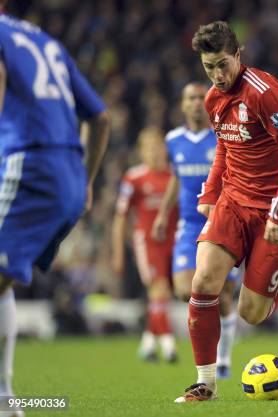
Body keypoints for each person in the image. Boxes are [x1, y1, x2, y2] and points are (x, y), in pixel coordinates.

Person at [175, 21, 278, 402]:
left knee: (251, 314)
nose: (218, 75)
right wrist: (211, 189)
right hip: (234, 202)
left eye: (223, 64)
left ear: (238, 55)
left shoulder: (265, 93)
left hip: (276, 208)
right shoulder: (212, 100)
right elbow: (225, 147)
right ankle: (205, 383)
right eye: (209, 68)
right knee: (203, 282)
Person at [0, 2, 109, 414]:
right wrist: (87, 179)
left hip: (29, 164)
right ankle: (6, 400)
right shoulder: (44, 40)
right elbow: (100, 117)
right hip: (66, 174)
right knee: (3, 278)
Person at [151, 82, 241, 378]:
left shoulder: (221, 135)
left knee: (224, 294)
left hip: (219, 222)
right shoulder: (173, 139)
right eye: (189, 98)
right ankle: (213, 346)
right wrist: (164, 214)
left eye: (199, 98)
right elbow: (176, 178)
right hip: (189, 225)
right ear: (182, 104)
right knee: (183, 289)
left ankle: (224, 357)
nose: (194, 103)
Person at [112, 127, 178, 363]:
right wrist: (118, 252)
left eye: (157, 147)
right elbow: (120, 216)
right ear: (141, 152)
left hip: (175, 241)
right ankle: (169, 346)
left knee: (164, 294)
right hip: (147, 242)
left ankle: (148, 343)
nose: (153, 153)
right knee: (159, 291)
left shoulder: (175, 175)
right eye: (148, 148)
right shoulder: (134, 178)